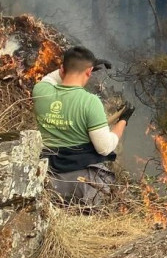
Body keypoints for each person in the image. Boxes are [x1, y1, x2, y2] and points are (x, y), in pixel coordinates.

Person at [33, 46, 133, 206]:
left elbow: (53, 76)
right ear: (89, 72)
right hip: (80, 184)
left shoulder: (40, 90)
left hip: (47, 176)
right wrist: (123, 121)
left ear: (62, 68)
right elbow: (105, 147)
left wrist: (85, 66)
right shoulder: (90, 102)